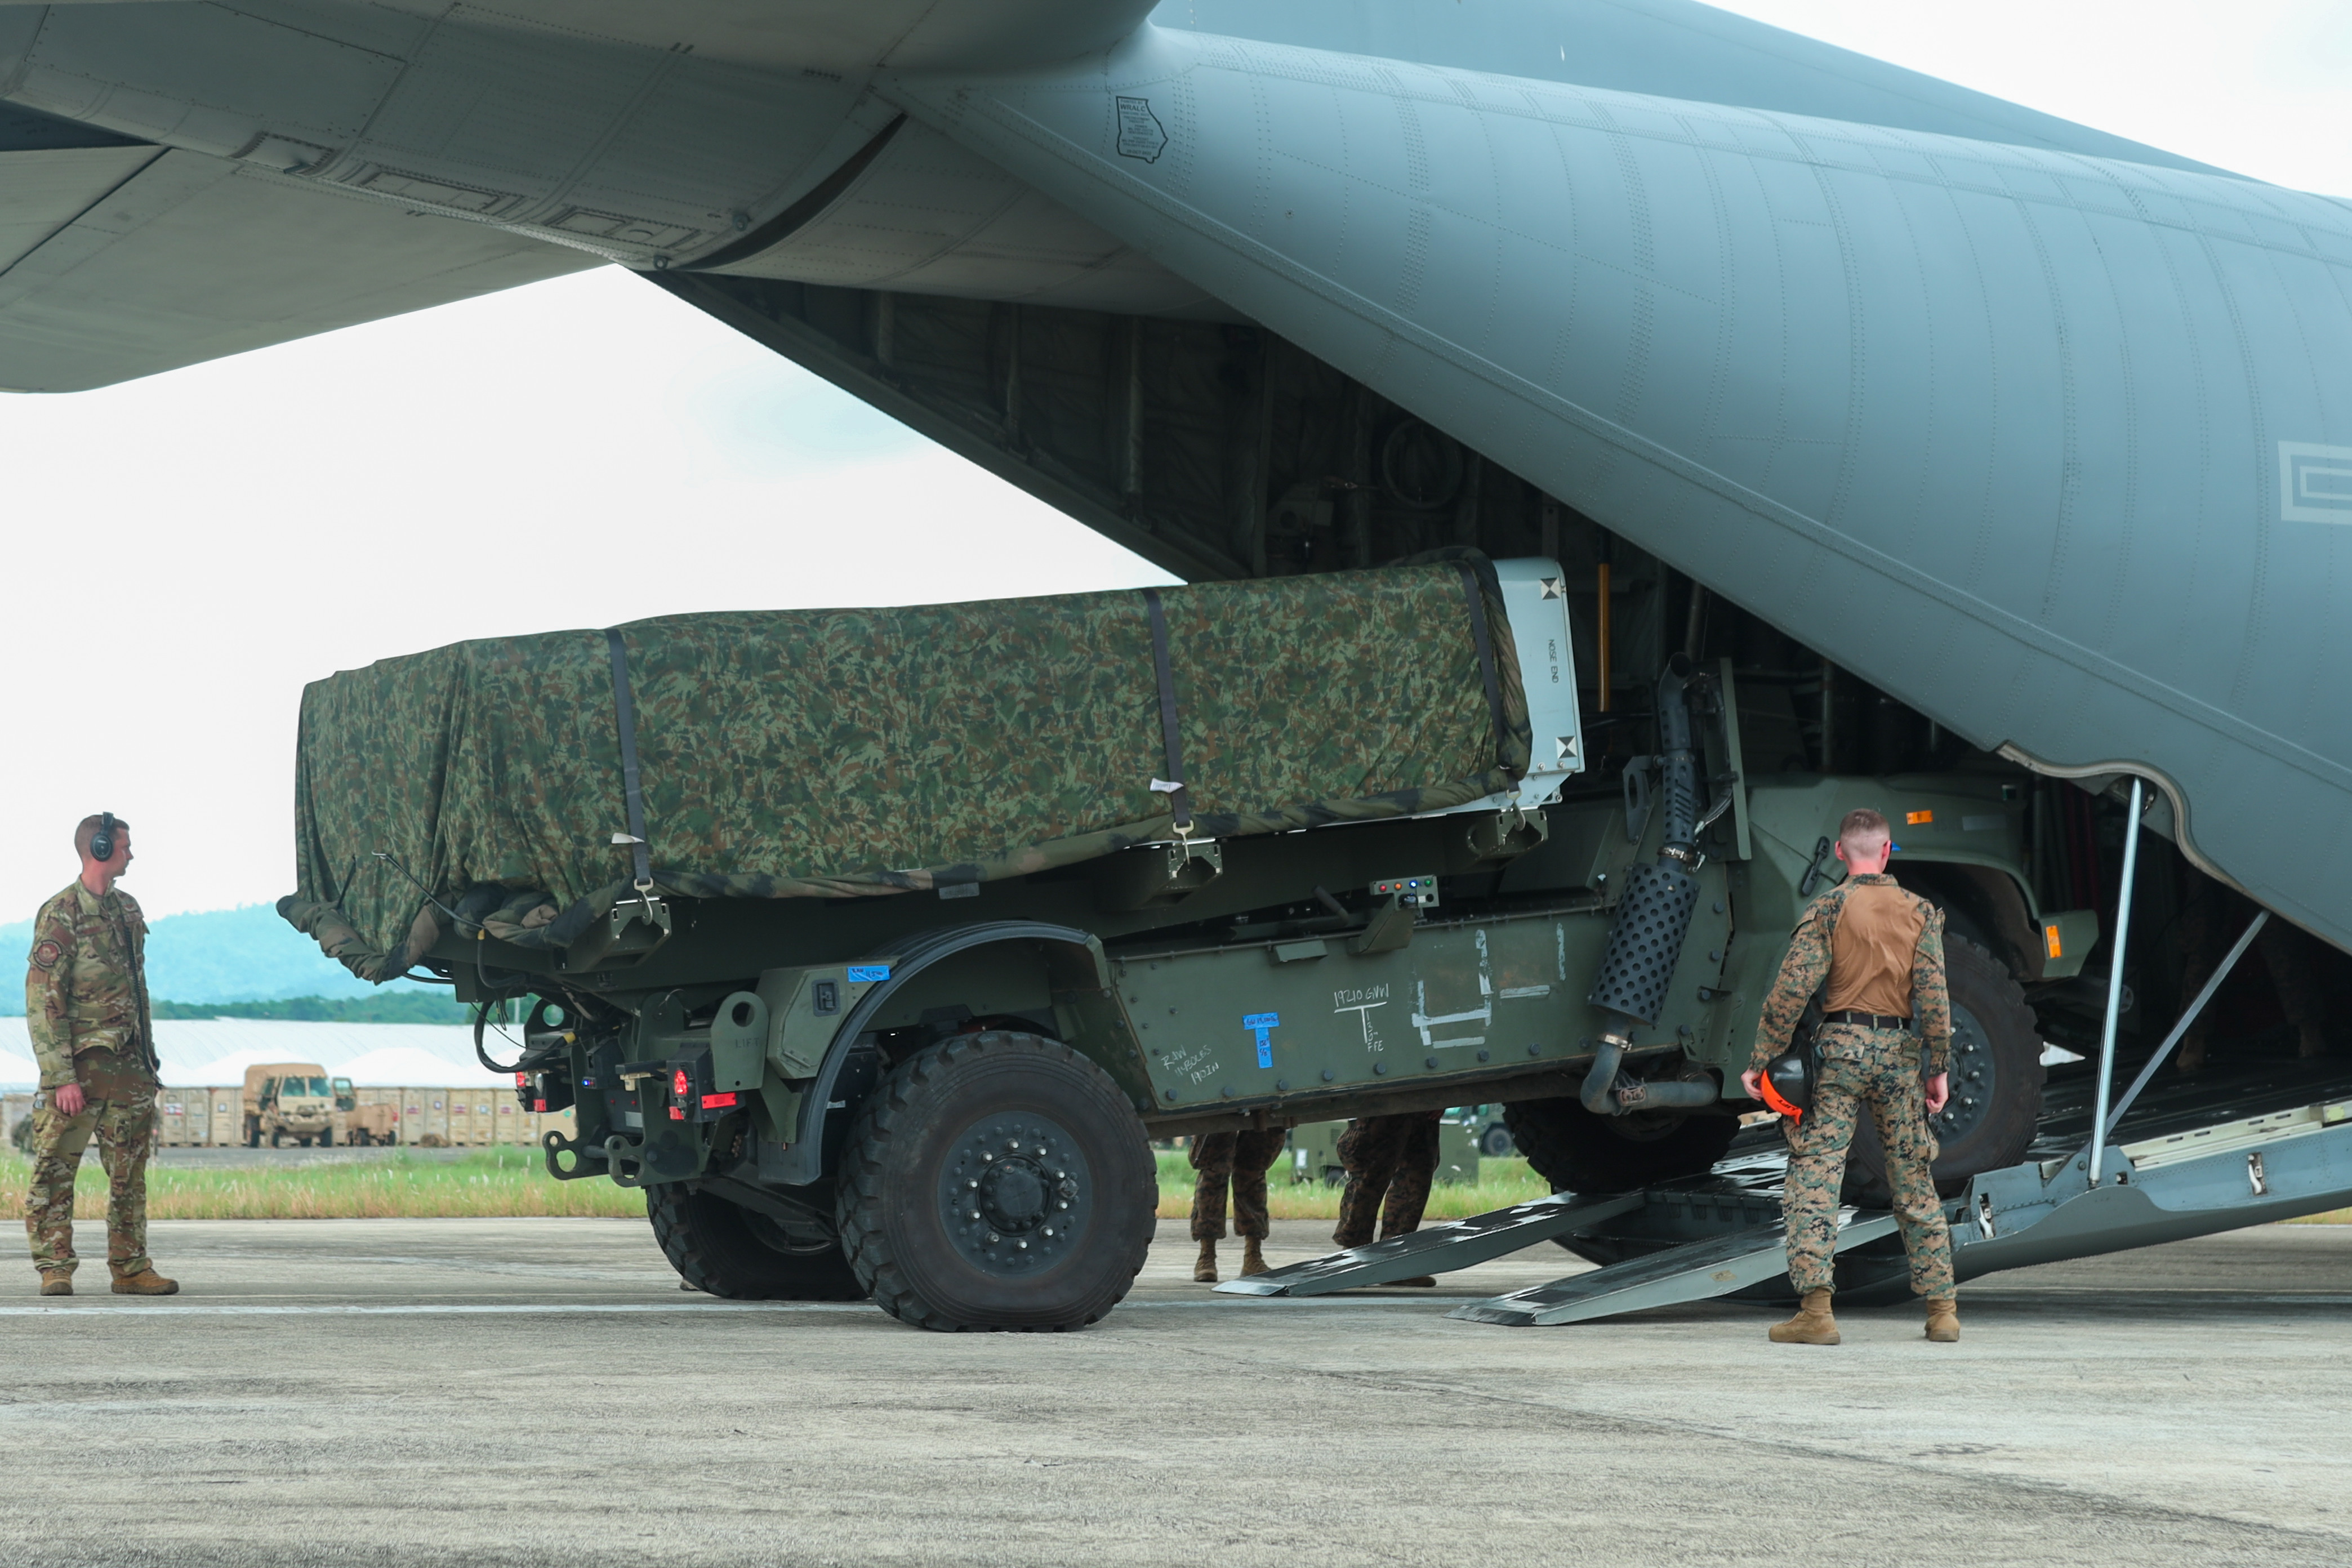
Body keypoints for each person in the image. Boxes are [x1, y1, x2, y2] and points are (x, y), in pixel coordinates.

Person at [1741, 807, 1954, 1344]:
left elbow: (1791, 992)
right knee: (1914, 1179)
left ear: (1840, 853)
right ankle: (1942, 1311)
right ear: (1887, 851)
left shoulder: (1829, 909)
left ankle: (1816, 1313)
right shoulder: (1920, 912)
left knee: (1817, 1176)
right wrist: (1940, 1066)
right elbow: (1934, 996)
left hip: (1839, 1054)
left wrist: (1761, 1060)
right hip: (1901, 1056)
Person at [23, 814, 176, 1297]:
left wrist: (149, 1064)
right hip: (80, 1069)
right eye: (125, 846)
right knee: (54, 1168)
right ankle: (55, 1267)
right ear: (101, 847)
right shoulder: (61, 913)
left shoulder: (127, 910)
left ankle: (130, 1268)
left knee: (130, 1173)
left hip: (128, 1067)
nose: (132, 854)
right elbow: (43, 1000)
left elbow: (139, 992)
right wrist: (61, 1076)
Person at [1331, 1110, 1442, 1285]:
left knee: (1417, 1174)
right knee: (1371, 1170)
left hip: (1424, 1100)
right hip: (1387, 1101)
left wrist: (1440, 1100)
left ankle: (1395, 1256)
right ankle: (1354, 1254)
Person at [1187, 1127, 1285, 1282]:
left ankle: (1252, 1257)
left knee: (1253, 1171)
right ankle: (1207, 1255)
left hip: (1261, 1106)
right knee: (1214, 1171)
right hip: (1221, 1106)